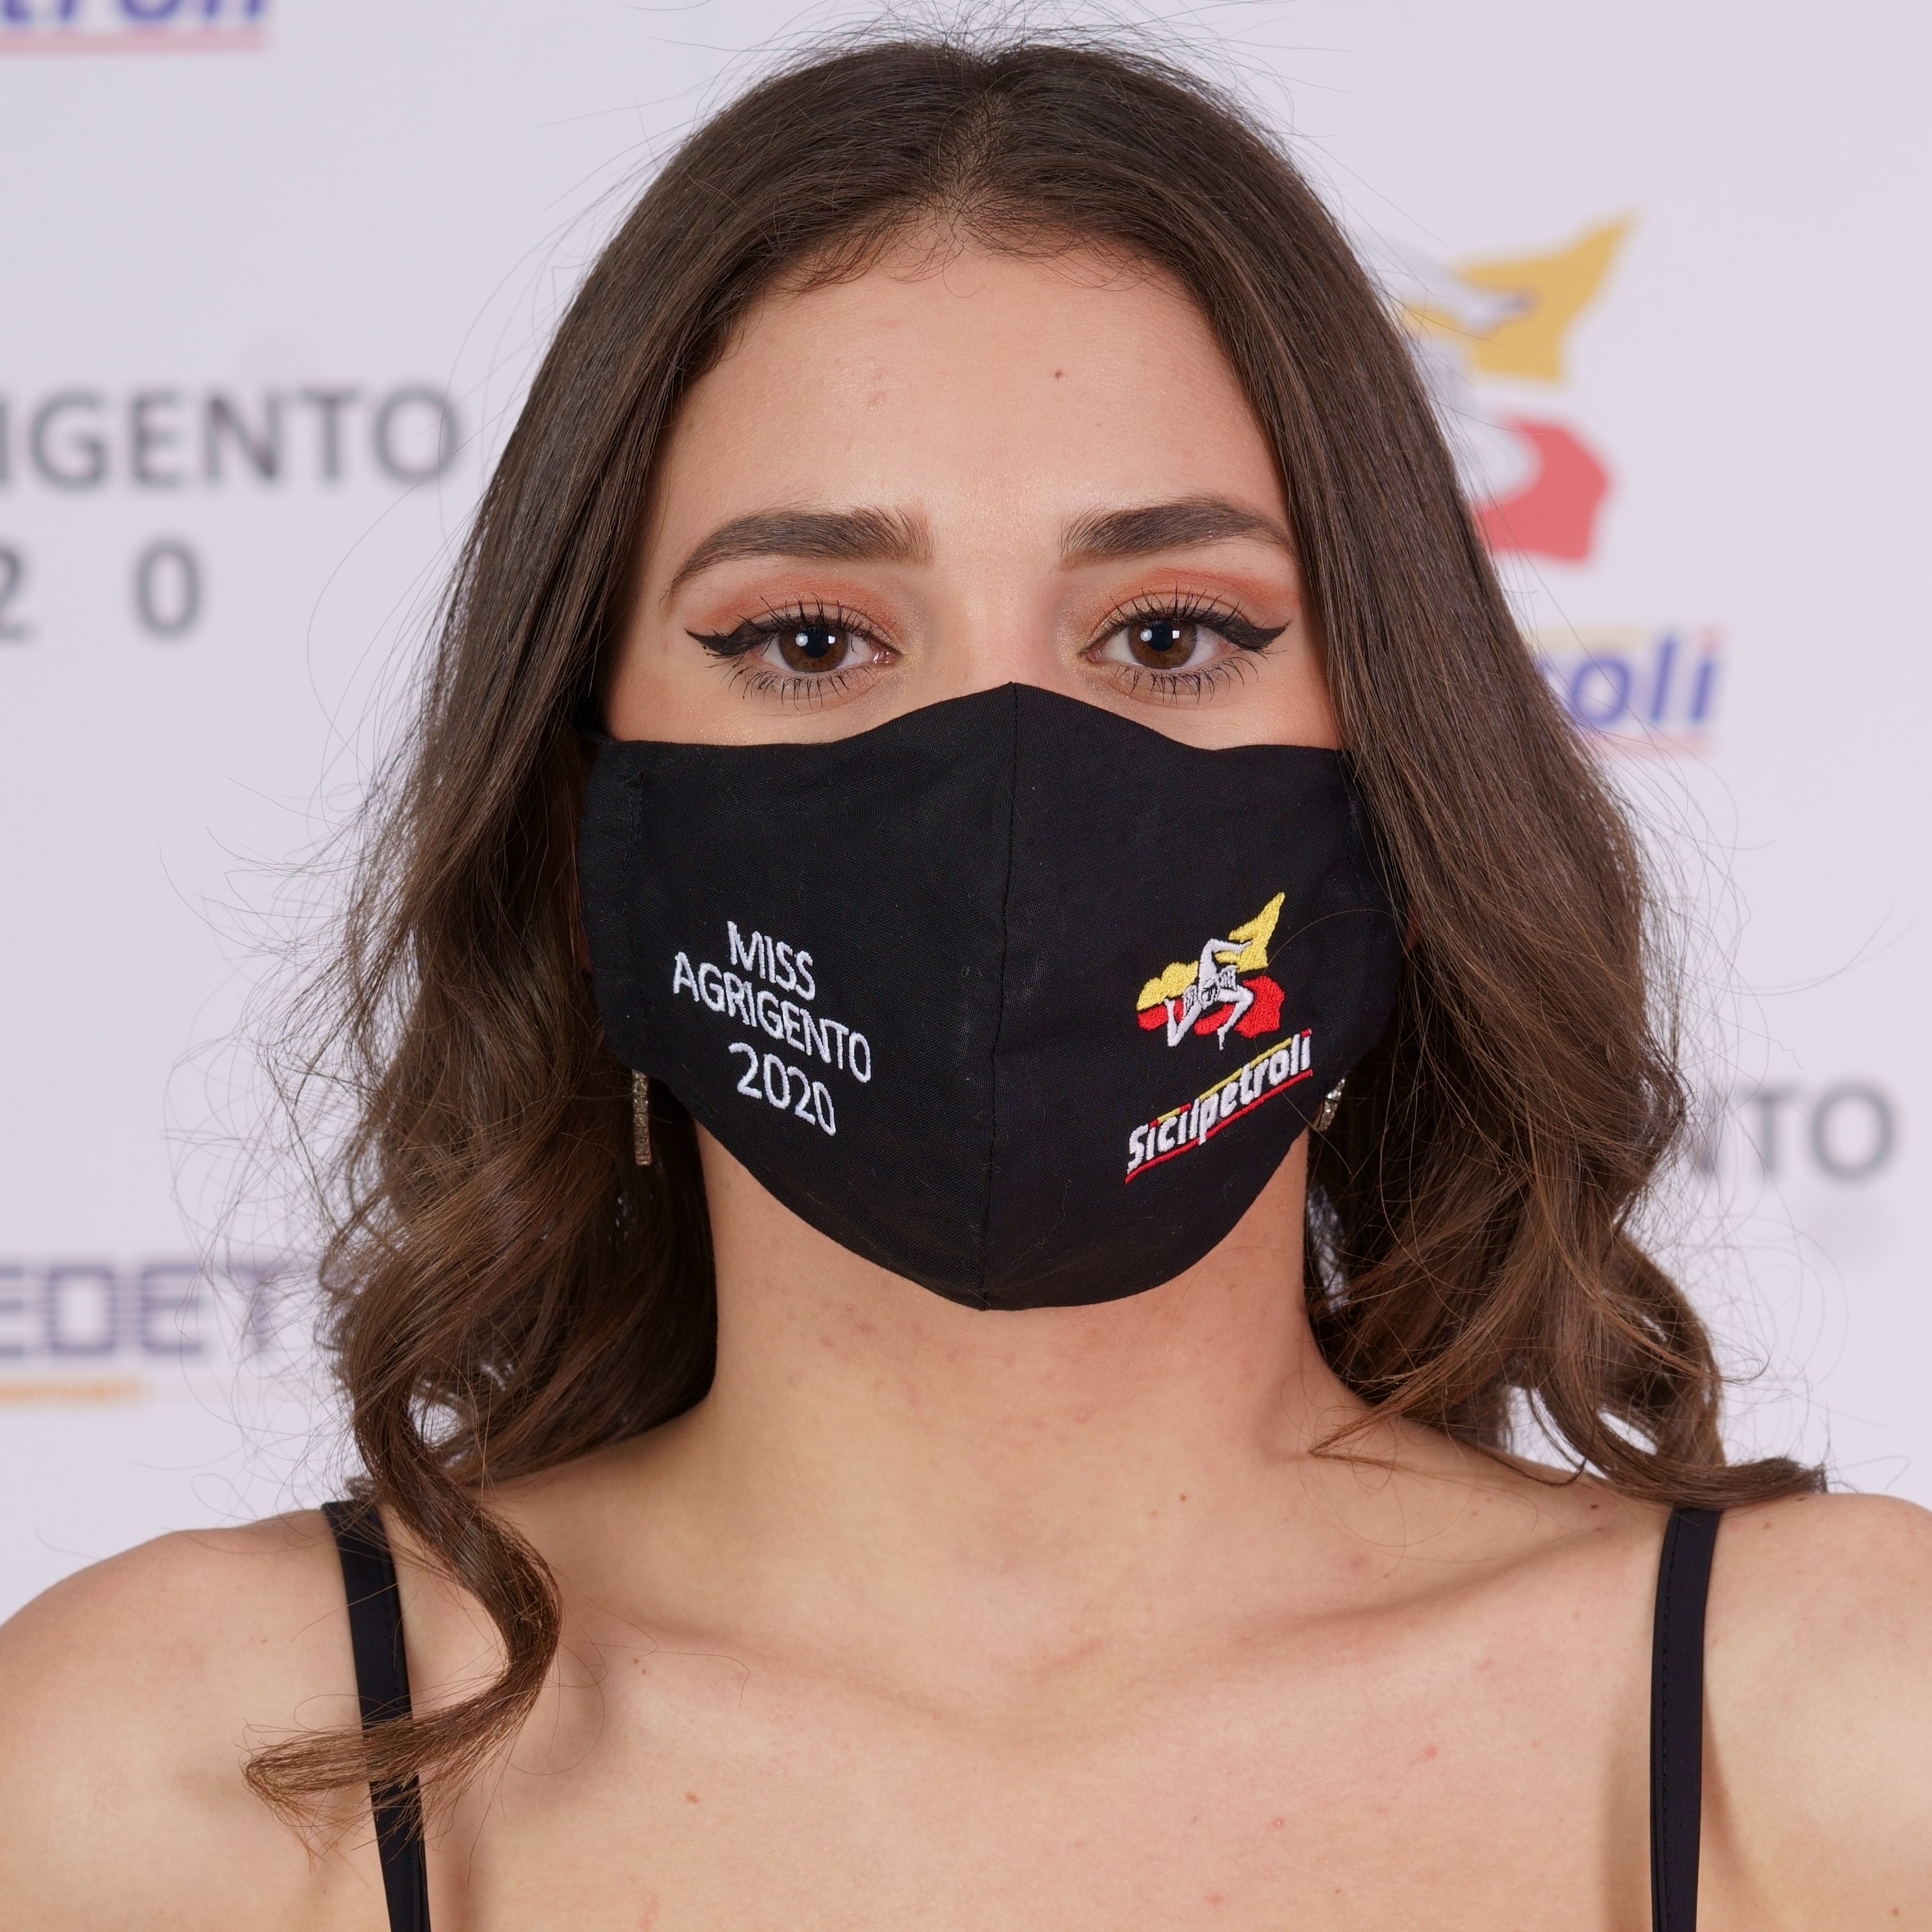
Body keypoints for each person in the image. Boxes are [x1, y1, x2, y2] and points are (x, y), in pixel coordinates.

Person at [3, 35, 1928, 1931]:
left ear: (1400, 794)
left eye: (1167, 634)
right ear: (590, 835)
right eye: (811, 640)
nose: (1002, 792)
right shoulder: (171, 1784)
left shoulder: (1838, 1734)